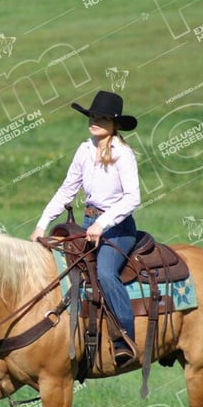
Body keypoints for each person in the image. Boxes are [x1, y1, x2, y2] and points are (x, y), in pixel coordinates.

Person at [30, 90, 141, 367]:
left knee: (104, 273)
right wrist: (42, 224)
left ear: (114, 124)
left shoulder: (123, 154)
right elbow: (67, 190)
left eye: (102, 118)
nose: (95, 121)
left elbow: (133, 197)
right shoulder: (85, 149)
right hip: (89, 223)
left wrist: (104, 223)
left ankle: (124, 338)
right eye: (92, 115)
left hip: (118, 227)